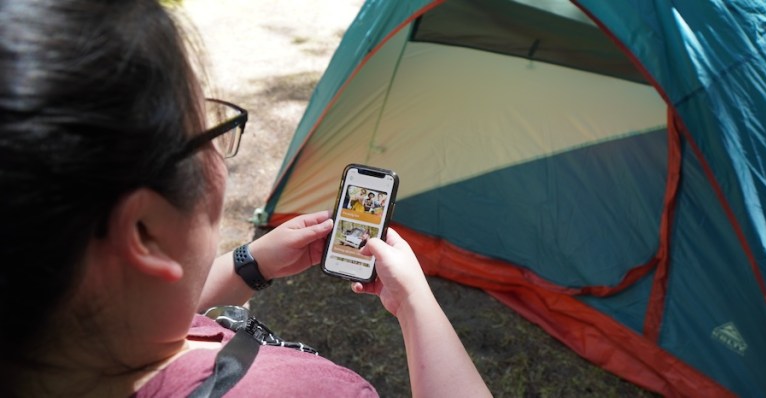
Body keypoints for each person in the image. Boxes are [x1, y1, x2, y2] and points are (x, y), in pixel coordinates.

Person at [0, 1, 492, 397]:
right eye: (206, 133)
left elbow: (146, 315)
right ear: (144, 232)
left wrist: (249, 264)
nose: (220, 153)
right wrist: (413, 304)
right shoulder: (313, 392)